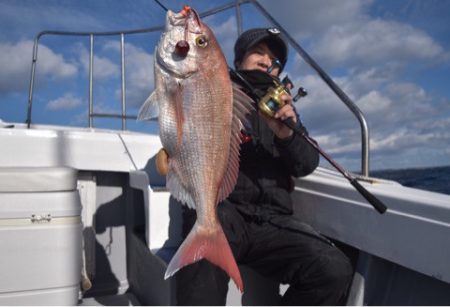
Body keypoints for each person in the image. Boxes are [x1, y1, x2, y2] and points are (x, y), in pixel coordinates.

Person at [176, 28, 353, 306]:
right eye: (258, 52)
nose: (265, 60)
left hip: (273, 222)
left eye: (274, 60)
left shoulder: (282, 106)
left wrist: (286, 134)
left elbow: (306, 163)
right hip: (223, 209)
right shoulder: (214, 91)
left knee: (334, 268)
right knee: (204, 235)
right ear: (237, 61)